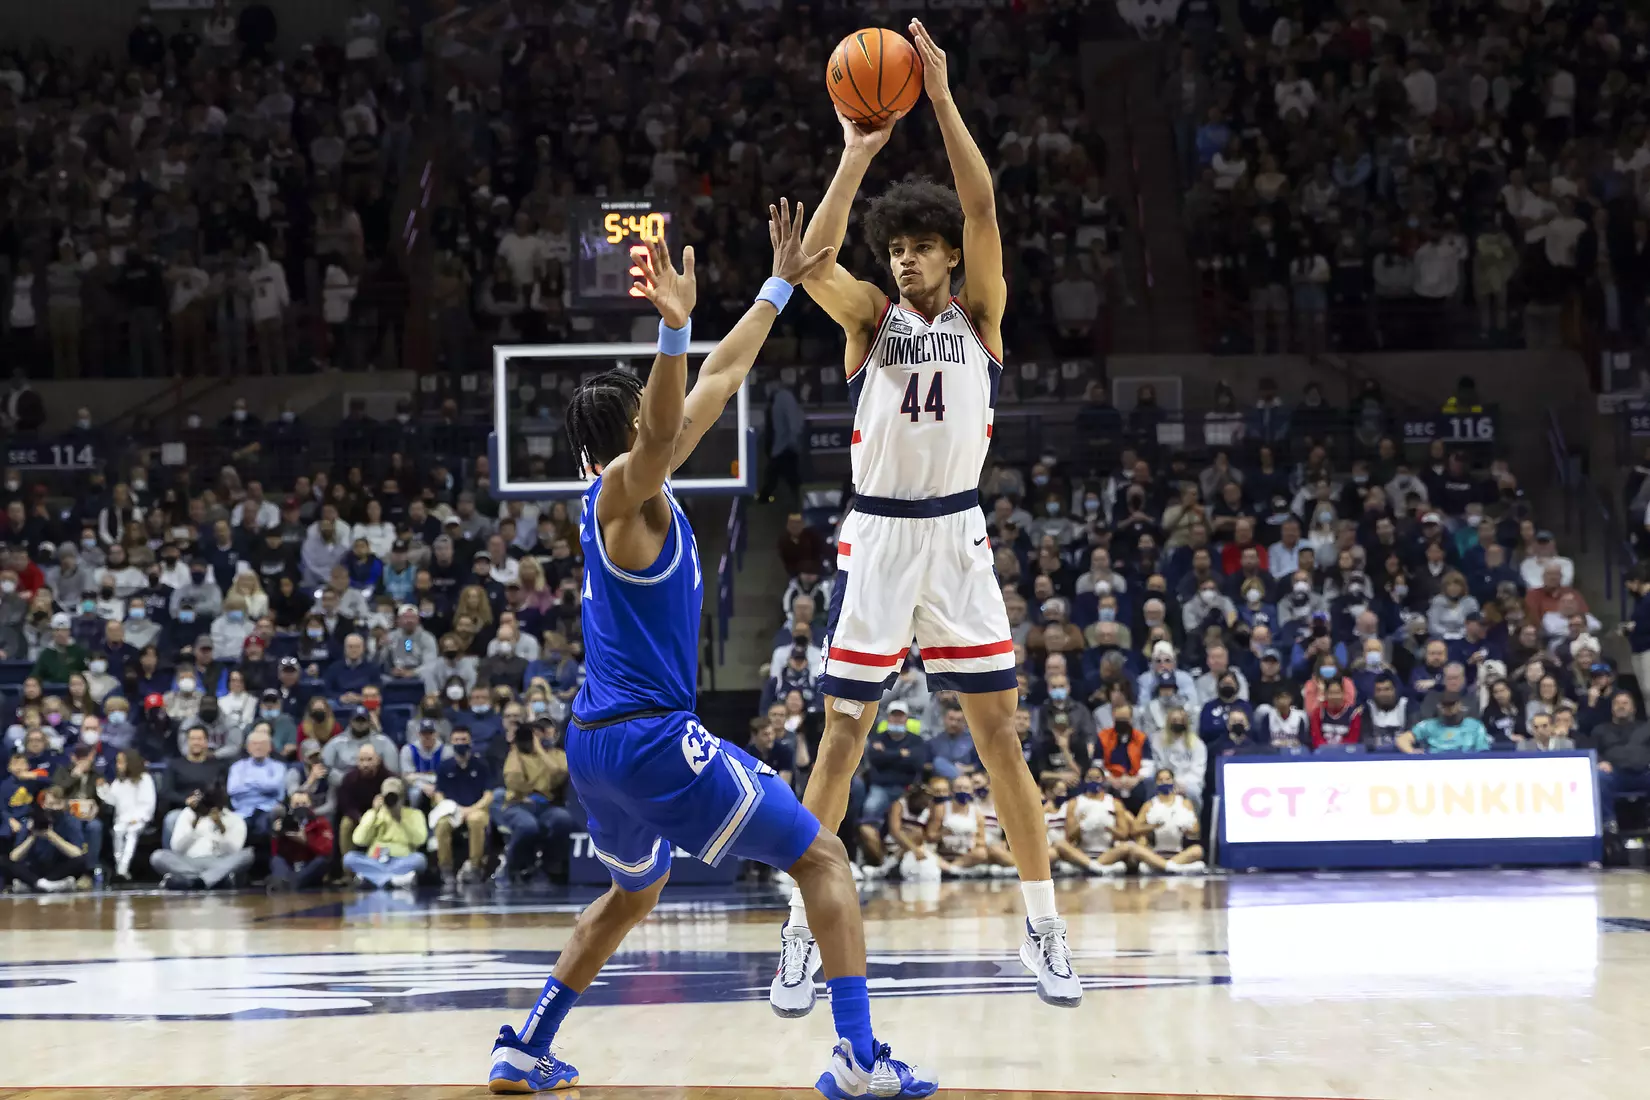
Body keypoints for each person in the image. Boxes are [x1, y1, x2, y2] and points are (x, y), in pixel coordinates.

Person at [487, 203, 935, 1098]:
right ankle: (857, 1056)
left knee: (631, 895)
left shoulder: (640, 488)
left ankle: (526, 1045)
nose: (672, 422)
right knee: (823, 859)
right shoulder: (624, 495)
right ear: (622, 440)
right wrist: (674, 329)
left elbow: (722, 377)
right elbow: (662, 429)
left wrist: (777, 284)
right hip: (651, 740)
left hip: (595, 741)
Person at [784, 21, 1078, 1020]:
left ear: (952, 257)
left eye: (921, 247)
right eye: (898, 248)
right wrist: (857, 151)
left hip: (956, 535)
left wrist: (940, 100)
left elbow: (987, 202)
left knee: (1002, 738)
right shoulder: (868, 320)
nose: (906, 260)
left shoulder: (980, 319)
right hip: (878, 536)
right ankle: (799, 932)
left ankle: (1045, 929)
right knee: (842, 737)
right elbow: (812, 258)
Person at [497, 719, 574, 884]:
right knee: (528, 826)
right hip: (517, 805)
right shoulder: (517, 756)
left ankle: (549, 866)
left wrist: (539, 750)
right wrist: (516, 748)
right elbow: (513, 781)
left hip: (546, 806)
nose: (537, 737)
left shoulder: (558, 755)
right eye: (535, 734)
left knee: (563, 819)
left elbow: (559, 773)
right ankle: (511, 867)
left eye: (542, 732)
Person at [151, 787, 254, 890]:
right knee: (158, 856)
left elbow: (233, 851)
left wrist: (221, 826)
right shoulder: (187, 814)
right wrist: (194, 824)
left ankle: (192, 881)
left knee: (248, 854)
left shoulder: (234, 819)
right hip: (188, 861)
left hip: (219, 862)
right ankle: (209, 880)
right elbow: (176, 848)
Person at [342, 776, 428, 888]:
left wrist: (401, 820)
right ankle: (394, 880)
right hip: (375, 860)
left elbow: (420, 840)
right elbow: (359, 840)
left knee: (420, 860)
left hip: (401, 860)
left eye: (395, 797)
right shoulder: (373, 813)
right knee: (349, 858)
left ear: (402, 798)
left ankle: (372, 878)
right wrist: (374, 813)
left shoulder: (414, 814)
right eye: (388, 796)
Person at [433, 725, 494, 885]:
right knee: (442, 824)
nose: (460, 743)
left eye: (463, 740)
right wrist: (450, 808)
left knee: (475, 820)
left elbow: (488, 794)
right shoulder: (444, 766)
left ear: (470, 742)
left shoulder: (481, 764)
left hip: (476, 808)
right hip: (453, 810)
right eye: (456, 740)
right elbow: (438, 793)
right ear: (451, 742)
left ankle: (475, 867)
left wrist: (473, 809)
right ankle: (445, 869)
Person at [7, 786, 90, 892]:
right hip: (35, 866)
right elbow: (14, 856)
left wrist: (52, 836)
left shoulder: (70, 821)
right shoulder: (33, 820)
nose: (53, 808)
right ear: (44, 804)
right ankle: (48, 884)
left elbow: (77, 853)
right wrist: (32, 836)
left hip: (58, 867)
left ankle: (36, 884)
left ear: (63, 804)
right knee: (7, 862)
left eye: (57, 804)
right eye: (50, 804)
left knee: (81, 862)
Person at [1125, 768, 1207, 874]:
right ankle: (1173, 867)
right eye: (1161, 780)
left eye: (1167, 779)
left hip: (1179, 853)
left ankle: (1162, 866)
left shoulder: (1184, 803)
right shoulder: (1150, 805)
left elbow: (1196, 830)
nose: (1164, 782)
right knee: (1135, 849)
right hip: (1155, 853)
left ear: (1173, 781)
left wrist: (1185, 829)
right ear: (1156, 783)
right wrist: (1153, 826)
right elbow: (1134, 829)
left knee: (1198, 850)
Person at [96, 748, 155, 882]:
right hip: (122, 819)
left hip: (138, 819)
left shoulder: (144, 779)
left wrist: (139, 817)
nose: (118, 766)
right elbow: (112, 800)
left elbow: (148, 803)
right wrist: (103, 788)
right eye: (118, 763)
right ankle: (120, 868)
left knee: (131, 833)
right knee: (118, 832)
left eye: (121, 762)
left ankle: (123, 868)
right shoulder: (119, 781)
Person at [1064, 764, 1131, 875]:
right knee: (1060, 844)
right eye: (1089, 778)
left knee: (1127, 847)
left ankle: (1088, 867)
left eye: (1097, 778)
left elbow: (1124, 834)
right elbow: (1069, 837)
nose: (1093, 781)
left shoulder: (1114, 803)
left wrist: (1108, 827)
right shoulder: (1074, 803)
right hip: (1083, 851)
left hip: (1107, 852)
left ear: (1103, 780)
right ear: (1084, 780)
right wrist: (1081, 825)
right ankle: (1095, 866)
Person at [267, 790, 335, 892]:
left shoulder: (321, 822)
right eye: (296, 804)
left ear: (311, 805)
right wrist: (276, 835)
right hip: (291, 866)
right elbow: (275, 853)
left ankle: (288, 884)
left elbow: (327, 850)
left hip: (309, 866)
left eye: (304, 804)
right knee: (276, 859)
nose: (300, 807)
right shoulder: (285, 822)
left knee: (322, 861)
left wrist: (307, 841)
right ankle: (286, 882)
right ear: (290, 806)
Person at [1398, 692, 1492, 754]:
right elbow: (1402, 739)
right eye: (1445, 705)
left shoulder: (1475, 725)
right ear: (1439, 707)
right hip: (1435, 767)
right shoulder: (1429, 725)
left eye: (1452, 705)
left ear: (1460, 704)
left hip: (1466, 767)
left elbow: (1483, 751)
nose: (1448, 709)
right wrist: (1411, 751)